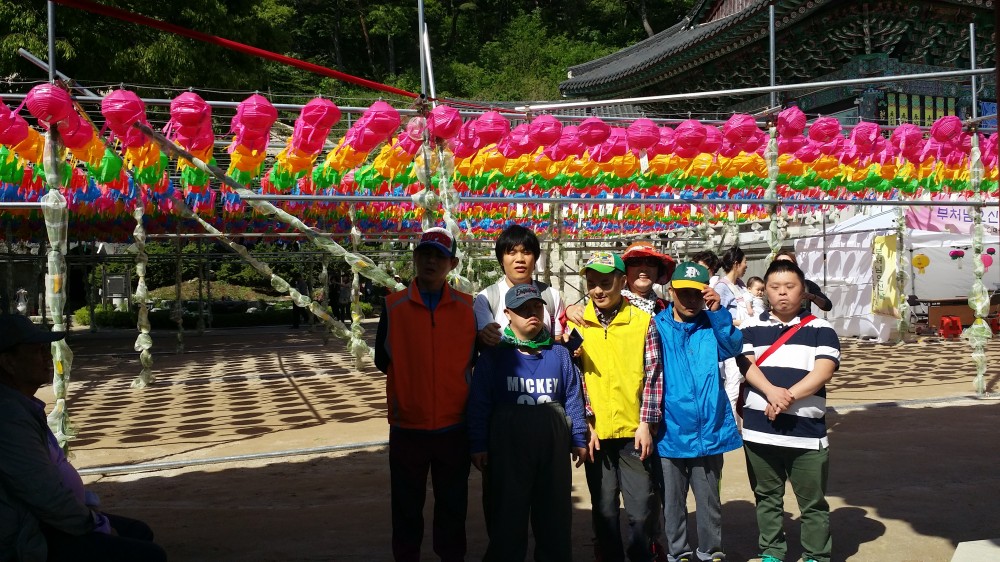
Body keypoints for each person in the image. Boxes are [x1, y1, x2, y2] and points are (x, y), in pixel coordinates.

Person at [0, 314, 168, 562]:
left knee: (138, 531)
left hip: (50, 518)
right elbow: (44, 495)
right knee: (147, 555)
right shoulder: (9, 417)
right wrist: (93, 523)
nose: (47, 357)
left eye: (46, 349)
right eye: (36, 351)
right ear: (8, 363)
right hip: (30, 532)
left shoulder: (23, 406)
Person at [374, 227, 478, 562]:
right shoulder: (394, 307)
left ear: (453, 264)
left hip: (454, 426)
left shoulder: (467, 308)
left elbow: (475, 359)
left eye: (439, 256)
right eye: (425, 254)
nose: (431, 261)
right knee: (406, 506)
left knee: (453, 505)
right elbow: (382, 360)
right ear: (415, 258)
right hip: (408, 426)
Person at [467, 283, 588, 562]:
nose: (531, 313)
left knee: (555, 519)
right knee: (507, 519)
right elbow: (479, 404)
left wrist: (579, 436)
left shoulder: (559, 354)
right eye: (522, 309)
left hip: (552, 451)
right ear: (507, 314)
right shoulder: (494, 357)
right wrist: (478, 443)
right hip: (507, 450)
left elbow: (572, 396)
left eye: (536, 307)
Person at [737, 259, 841, 562]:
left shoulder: (822, 329)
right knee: (766, 498)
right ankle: (771, 552)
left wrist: (787, 397)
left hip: (806, 435)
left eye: (790, 286)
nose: (782, 292)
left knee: (813, 503)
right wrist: (771, 392)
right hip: (759, 433)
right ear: (765, 291)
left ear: (803, 290)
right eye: (775, 287)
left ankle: (816, 555)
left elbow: (823, 371)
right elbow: (747, 366)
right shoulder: (751, 328)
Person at [570, 251, 661, 562]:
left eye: (605, 283)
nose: (598, 290)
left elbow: (653, 375)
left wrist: (646, 423)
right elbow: (574, 378)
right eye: (592, 283)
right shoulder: (579, 324)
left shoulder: (643, 322)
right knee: (605, 509)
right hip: (596, 434)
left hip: (634, 432)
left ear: (622, 282)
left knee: (641, 508)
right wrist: (586, 423)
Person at [653, 262, 743, 562]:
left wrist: (718, 313)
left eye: (697, 294)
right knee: (672, 503)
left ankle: (711, 552)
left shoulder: (711, 324)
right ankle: (677, 554)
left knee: (709, 501)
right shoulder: (656, 326)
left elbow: (733, 347)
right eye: (684, 294)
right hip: (670, 431)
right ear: (671, 291)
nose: (691, 301)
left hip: (709, 430)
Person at [475, 224, 566, 349]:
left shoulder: (551, 296)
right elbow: (481, 343)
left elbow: (558, 341)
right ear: (501, 260)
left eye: (526, 252)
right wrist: (483, 337)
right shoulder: (486, 298)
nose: (520, 259)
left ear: (535, 259)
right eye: (512, 252)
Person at [567, 241, 676, 322]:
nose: (644, 268)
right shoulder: (610, 302)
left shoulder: (667, 309)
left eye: (651, 262)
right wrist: (569, 311)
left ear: (658, 270)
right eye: (635, 262)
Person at [713, 246, 750, 420]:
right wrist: (740, 322)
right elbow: (717, 315)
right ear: (736, 264)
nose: (746, 265)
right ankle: (730, 423)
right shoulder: (722, 287)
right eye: (744, 262)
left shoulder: (741, 285)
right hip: (731, 342)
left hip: (745, 338)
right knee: (733, 384)